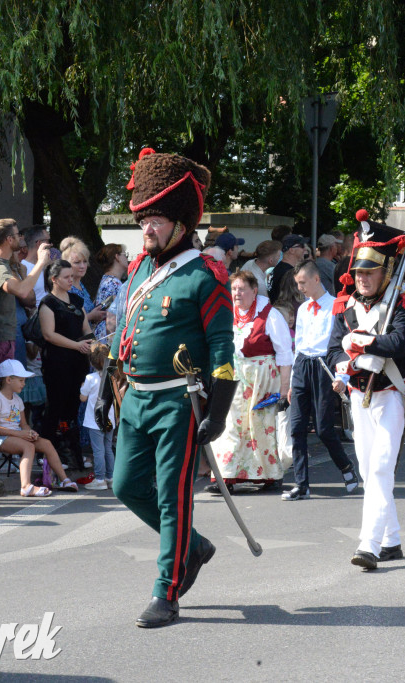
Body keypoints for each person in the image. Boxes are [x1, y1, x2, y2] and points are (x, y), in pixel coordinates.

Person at [98, 149, 237, 628]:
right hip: (134, 395)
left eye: (155, 220)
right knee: (124, 486)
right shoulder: (139, 270)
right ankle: (193, 547)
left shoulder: (205, 275)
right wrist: (104, 387)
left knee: (171, 497)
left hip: (180, 401)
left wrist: (217, 413)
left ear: (180, 223)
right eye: (144, 220)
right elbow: (121, 332)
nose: (147, 229)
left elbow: (222, 350)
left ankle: (167, 590)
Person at [327, 213, 405, 571]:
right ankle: (391, 539)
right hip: (357, 396)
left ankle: (369, 544)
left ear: (385, 272)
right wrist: (343, 365)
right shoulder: (345, 308)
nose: (363, 278)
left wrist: (360, 346)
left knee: (380, 468)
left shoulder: (401, 304)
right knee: (368, 469)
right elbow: (333, 350)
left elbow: (398, 343)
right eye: (359, 272)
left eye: (370, 272)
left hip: (391, 394)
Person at [208, 270, 293, 493]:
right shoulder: (228, 314)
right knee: (229, 427)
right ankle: (225, 477)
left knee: (261, 428)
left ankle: (269, 476)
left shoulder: (270, 316)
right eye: (234, 289)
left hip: (262, 381)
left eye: (242, 289)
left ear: (254, 291)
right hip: (233, 380)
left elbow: (285, 355)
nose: (237, 293)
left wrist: (284, 391)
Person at [283, 260, 358, 500]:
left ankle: (346, 467)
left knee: (325, 429)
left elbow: (343, 345)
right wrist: (294, 380)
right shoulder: (304, 308)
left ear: (317, 279)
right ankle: (301, 484)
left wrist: (342, 376)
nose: (300, 288)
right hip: (304, 365)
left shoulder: (337, 306)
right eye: (297, 284)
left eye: (303, 283)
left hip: (324, 364)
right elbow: (299, 344)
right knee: (296, 428)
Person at [0, 359, 78, 496]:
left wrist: (30, 432)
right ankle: (26, 486)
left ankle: (64, 480)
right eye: (21, 380)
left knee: (46, 443)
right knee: (29, 447)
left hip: (15, 435)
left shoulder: (17, 399)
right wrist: (21, 434)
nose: (24, 383)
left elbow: (24, 424)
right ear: (9, 380)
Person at [0, 219, 52, 385]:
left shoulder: (2, 264)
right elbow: (22, 291)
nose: (22, 238)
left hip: (6, 337)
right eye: (18, 234)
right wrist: (41, 262)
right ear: (9, 239)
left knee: (6, 392)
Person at [38, 260, 93, 468]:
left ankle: (72, 453)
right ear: (54, 279)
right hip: (57, 362)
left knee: (72, 407)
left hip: (77, 363)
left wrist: (91, 341)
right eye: (67, 277)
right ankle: (48, 453)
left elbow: (85, 327)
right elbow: (49, 334)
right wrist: (76, 345)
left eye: (72, 276)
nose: (71, 280)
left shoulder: (77, 300)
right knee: (55, 407)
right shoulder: (48, 303)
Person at [80, 344, 116, 491]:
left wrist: (82, 386)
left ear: (92, 362)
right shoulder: (113, 376)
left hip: (94, 420)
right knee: (108, 448)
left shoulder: (90, 378)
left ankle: (99, 479)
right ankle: (111, 478)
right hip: (110, 418)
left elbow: (83, 398)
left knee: (98, 450)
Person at [94, 243, 129, 342]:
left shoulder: (108, 280)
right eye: (125, 255)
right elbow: (112, 318)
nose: (127, 258)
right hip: (108, 337)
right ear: (117, 257)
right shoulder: (113, 284)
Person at [268, 234, 307, 304]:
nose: (305, 249)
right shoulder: (288, 272)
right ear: (291, 250)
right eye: (302, 246)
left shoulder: (279, 268)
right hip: (284, 312)